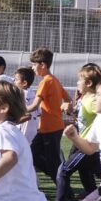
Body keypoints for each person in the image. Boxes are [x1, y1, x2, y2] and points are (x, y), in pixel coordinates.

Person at [50, 64, 101, 201]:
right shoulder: (85, 98)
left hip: (87, 145)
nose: (77, 83)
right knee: (89, 176)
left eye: (79, 80)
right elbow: (86, 118)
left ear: (88, 83)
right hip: (81, 142)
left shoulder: (93, 99)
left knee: (64, 171)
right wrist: (72, 111)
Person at [27, 47, 71, 185]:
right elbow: (69, 98)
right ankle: (61, 183)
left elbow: (34, 106)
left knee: (52, 164)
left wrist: (14, 110)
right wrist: (66, 105)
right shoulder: (54, 80)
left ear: (43, 65)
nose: (32, 67)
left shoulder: (46, 81)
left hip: (51, 128)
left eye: (34, 64)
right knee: (31, 155)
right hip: (48, 127)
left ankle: (65, 192)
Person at [13, 67, 39, 144]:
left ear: (24, 83)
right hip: (33, 127)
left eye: (16, 80)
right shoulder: (33, 93)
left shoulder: (21, 94)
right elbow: (39, 112)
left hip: (24, 127)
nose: (14, 81)